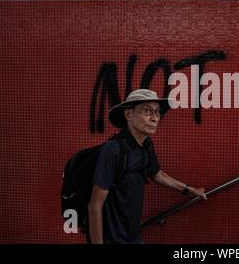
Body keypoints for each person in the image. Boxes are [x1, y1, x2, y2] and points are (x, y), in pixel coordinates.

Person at [87, 89, 207, 244]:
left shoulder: (146, 144)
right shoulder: (113, 150)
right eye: (148, 111)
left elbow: (157, 174)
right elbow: (94, 206)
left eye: (157, 113)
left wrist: (190, 190)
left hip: (134, 238)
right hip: (113, 240)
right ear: (129, 115)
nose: (155, 118)